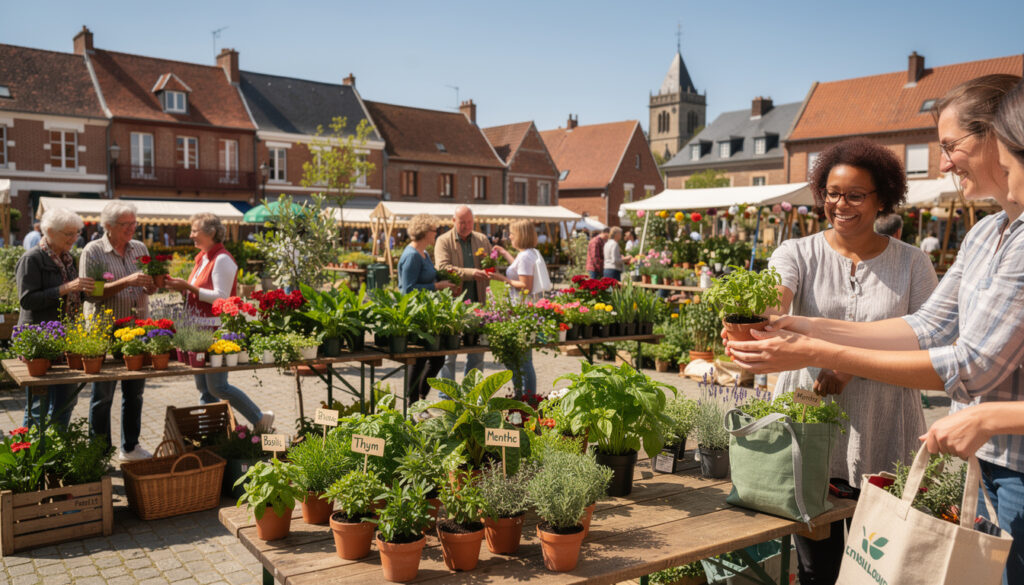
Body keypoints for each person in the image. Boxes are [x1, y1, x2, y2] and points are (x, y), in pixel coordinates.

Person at [727, 74, 1024, 585]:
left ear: (1001, 136)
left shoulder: (926, 258)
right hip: (985, 457)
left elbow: (968, 364)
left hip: (998, 456)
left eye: (951, 146)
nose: (945, 161)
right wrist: (796, 325)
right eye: (832, 194)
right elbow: (928, 325)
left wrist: (814, 349)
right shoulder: (984, 232)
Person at [764, 138, 938, 585]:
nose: (841, 204)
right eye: (832, 192)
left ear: (882, 199)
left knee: (878, 568)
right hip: (809, 430)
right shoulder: (795, 254)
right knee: (815, 569)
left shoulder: (913, 264)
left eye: (856, 195)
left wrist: (848, 364)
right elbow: (776, 303)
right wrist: (765, 314)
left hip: (884, 429)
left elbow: (929, 341)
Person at [165, 213, 274, 432]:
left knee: (218, 386)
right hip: (198, 330)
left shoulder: (222, 259)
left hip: (215, 329)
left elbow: (221, 296)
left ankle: (260, 417)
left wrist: (188, 288)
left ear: (211, 232)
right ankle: (211, 432)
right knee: (204, 388)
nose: (191, 235)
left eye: (195, 230)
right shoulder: (203, 258)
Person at [80, 201, 156, 462]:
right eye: (126, 224)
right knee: (103, 395)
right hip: (105, 330)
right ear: (108, 226)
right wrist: (126, 281)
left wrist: (152, 285)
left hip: (136, 329)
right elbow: (90, 293)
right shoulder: (93, 251)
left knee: (135, 391)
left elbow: (148, 281)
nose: (132, 228)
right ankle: (100, 455)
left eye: (135, 223)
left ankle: (130, 447)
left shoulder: (140, 248)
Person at [16, 209, 92, 427]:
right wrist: (65, 288)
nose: (73, 238)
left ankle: (58, 452)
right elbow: (27, 300)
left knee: (66, 402)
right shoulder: (32, 259)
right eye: (68, 233)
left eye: (76, 233)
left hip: (66, 342)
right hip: (40, 344)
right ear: (48, 231)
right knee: (39, 407)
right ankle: (31, 456)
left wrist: (91, 289)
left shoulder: (68, 259)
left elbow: (75, 295)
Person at [398, 214, 456, 412]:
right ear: (424, 232)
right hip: (415, 314)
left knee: (437, 357)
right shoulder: (412, 256)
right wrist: (437, 286)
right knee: (420, 358)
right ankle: (413, 403)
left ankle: (420, 397)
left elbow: (429, 276)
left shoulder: (425, 254)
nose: (436, 234)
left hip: (427, 314)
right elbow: (407, 290)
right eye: (434, 231)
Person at [491, 220, 550, 399]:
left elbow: (525, 285)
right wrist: (505, 253)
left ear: (520, 235)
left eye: (512, 233)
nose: (509, 236)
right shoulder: (530, 253)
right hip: (526, 310)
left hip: (520, 311)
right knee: (521, 357)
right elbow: (518, 268)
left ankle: (526, 398)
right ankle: (523, 396)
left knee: (522, 359)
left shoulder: (525, 257)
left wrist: (502, 278)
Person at [435, 205, 492, 382]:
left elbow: (490, 264)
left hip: (477, 302)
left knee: (477, 355)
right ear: (453, 221)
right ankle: (447, 397)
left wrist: (490, 267)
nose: (467, 226)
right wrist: (470, 273)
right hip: (452, 306)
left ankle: (471, 394)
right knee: (448, 356)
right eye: (462, 222)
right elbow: (443, 268)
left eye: (470, 222)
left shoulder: (482, 239)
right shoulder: (443, 241)